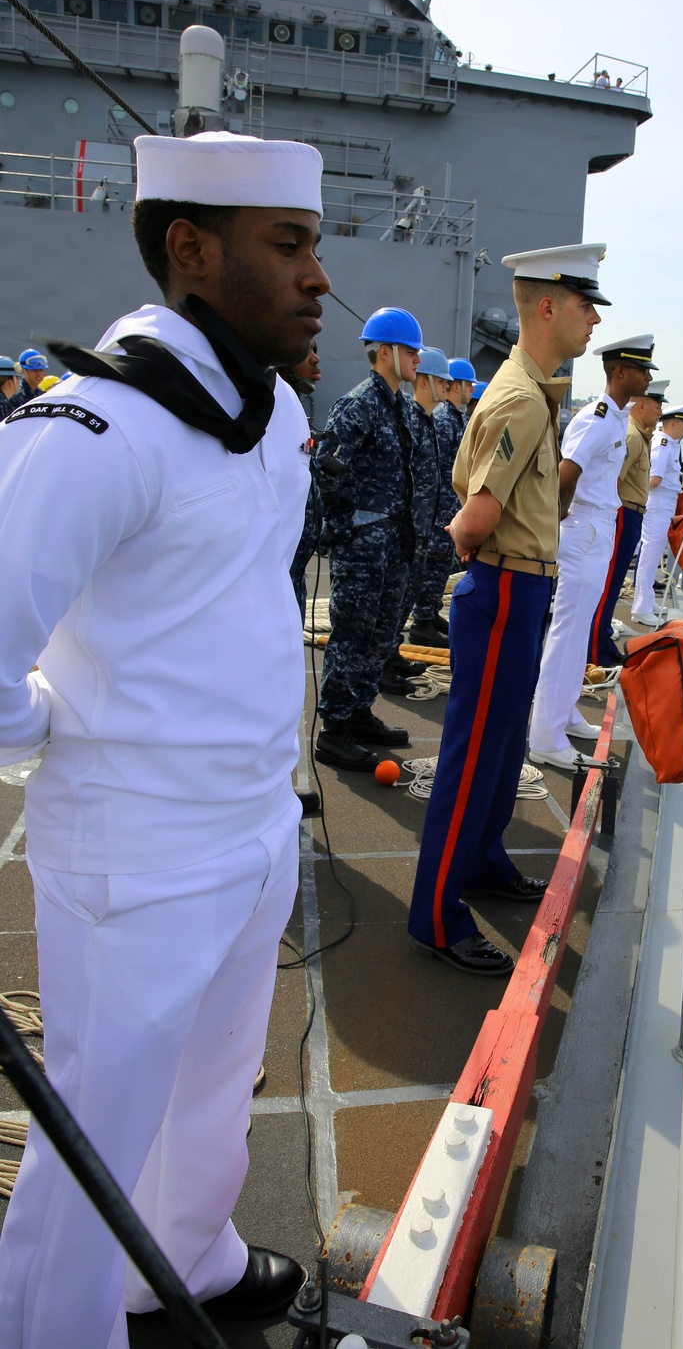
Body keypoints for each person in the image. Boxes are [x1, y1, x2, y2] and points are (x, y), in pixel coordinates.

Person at [0, 129, 328, 1348]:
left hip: (249, 830)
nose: (315, 277)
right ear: (192, 250)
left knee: (212, 1092)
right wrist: (56, 732)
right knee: (96, 1136)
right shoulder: (97, 426)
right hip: (134, 853)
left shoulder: (274, 416)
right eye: (287, 245)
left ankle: (182, 1258)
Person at [407, 242, 608, 975]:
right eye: (586, 304)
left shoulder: (532, 387)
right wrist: (469, 549)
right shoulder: (523, 397)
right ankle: (435, 914)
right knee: (472, 758)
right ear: (547, 305)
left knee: (499, 751)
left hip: (524, 590)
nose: (593, 319)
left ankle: (486, 858)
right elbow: (478, 516)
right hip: (503, 589)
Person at [527, 335, 654, 769]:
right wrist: (560, 530)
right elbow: (565, 476)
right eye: (642, 369)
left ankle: (563, 713)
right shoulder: (597, 419)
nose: (649, 377)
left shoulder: (617, 419)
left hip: (597, 529)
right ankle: (544, 734)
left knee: (579, 630)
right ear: (619, 371)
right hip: (583, 531)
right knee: (565, 632)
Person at [313, 307, 421, 772]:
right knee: (352, 635)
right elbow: (325, 469)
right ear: (384, 353)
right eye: (410, 351)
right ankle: (334, 730)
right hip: (363, 546)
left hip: (393, 543)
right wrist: (346, 526)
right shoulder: (357, 406)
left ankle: (358, 711)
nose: (417, 358)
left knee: (380, 634)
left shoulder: (400, 407)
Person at [588, 368, 663, 666]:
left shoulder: (640, 436)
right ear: (642, 405)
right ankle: (596, 650)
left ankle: (602, 636)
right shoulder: (632, 436)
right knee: (608, 584)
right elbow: (613, 483)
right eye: (656, 406)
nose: (659, 413)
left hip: (632, 517)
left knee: (615, 582)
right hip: (622, 516)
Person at [407, 356, 473, 647]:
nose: (469, 390)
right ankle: (422, 618)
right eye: (466, 384)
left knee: (438, 564)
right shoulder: (444, 419)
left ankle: (429, 614)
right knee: (429, 564)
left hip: (445, 506)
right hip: (434, 508)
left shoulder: (453, 418)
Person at [394, 345, 451, 666]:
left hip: (426, 526)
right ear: (425, 381)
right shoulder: (412, 421)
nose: (447, 386)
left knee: (410, 592)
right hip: (410, 529)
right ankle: (387, 659)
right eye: (441, 381)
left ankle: (391, 654)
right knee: (398, 599)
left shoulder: (427, 421)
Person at [631, 399, 683, 625]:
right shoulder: (664, 444)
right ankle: (640, 608)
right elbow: (654, 480)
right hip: (657, 505)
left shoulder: (669, 444)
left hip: (663, 505)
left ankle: (647, 601)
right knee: (649, 556)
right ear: (673, 424)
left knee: (654, 555)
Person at [281, 342, 322, 620]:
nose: (315, 359)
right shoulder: (267, 413)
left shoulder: (290, 410)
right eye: (306, 350)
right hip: (277, 569)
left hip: (295, 569)